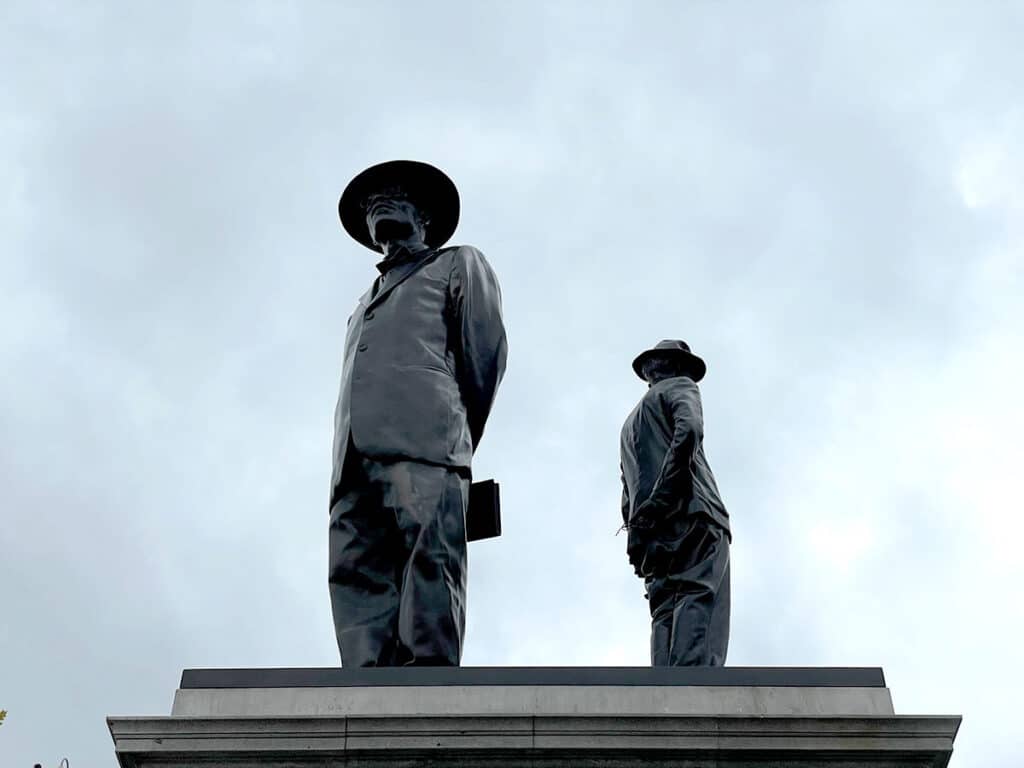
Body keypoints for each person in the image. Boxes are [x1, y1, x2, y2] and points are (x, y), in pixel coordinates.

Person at [329, 160, 507, 666]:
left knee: (430, 565)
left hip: (428, 440)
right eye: (369, 203)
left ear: (424, 213)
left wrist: (453, 433)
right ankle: (366, 686)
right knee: (355, 571)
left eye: (394, 194)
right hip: (353, 458)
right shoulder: (362, 302)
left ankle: (429, 682)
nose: (378, 204)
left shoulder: (458, 264)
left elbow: (484, 355)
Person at [619, 340, 731, 666]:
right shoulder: (680, 387)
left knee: (665, 609)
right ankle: (693, 696)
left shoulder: (630, 424)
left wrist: (639, 533)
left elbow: (626, 490)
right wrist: (664, 498)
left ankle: (665, 692)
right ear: (679, 367)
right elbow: (691, 429)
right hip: (694, 513)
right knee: (699, 595)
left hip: (652, 535)